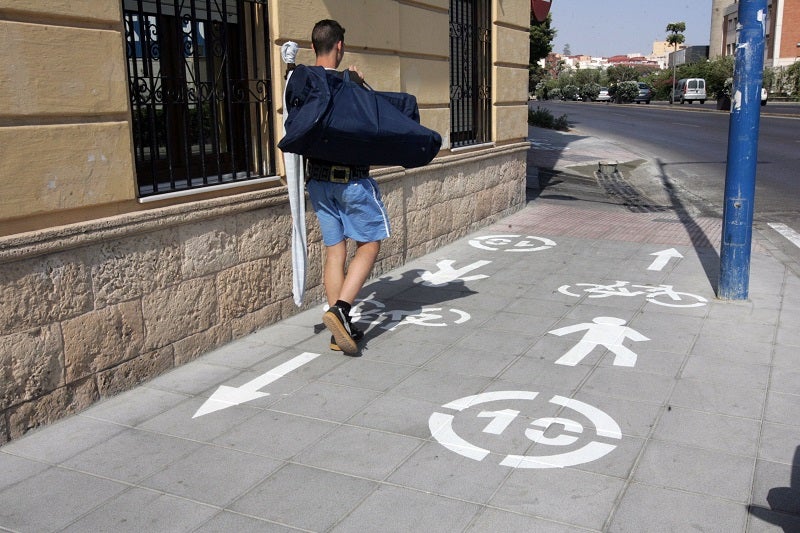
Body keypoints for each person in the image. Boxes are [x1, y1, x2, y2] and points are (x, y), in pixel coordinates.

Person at [306, 19, 391, 355]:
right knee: (369, 244)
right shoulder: (349, 84)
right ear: (339, 46)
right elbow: (374, 122)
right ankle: (341, 310)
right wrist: (360, 84)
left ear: (313, 47)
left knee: (334, 252)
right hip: (350, 182)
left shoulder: (302, 83)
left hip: (318, 183)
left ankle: (336, 331)